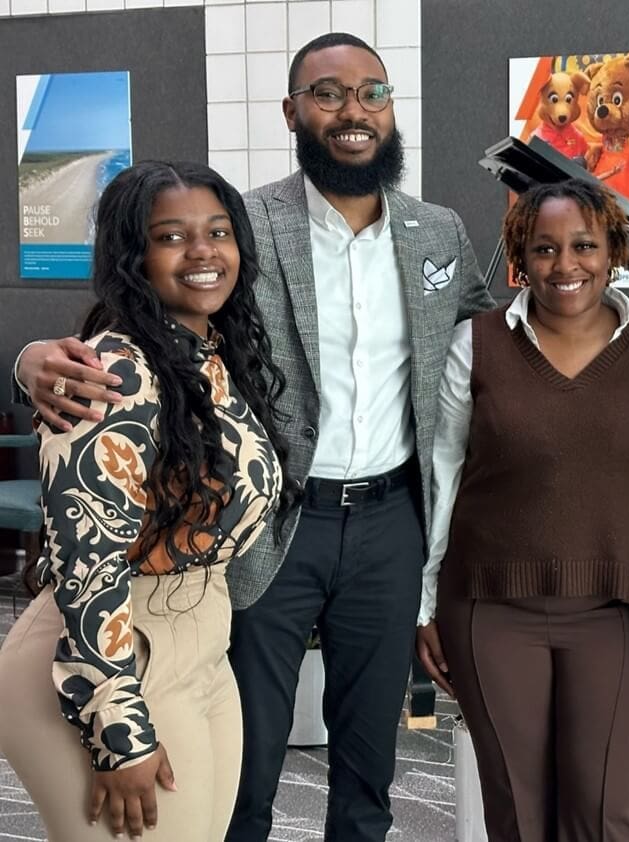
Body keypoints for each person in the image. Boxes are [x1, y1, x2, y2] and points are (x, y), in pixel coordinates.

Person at [13, 33, 493, 842]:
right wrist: (34, 360)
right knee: (245, 758)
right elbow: (148, 312)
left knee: (371, 758)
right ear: (292, 112)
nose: (352, 110)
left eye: (371, 92)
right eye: (328, 93)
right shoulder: (242, 225)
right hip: (270, 523)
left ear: (390, 105)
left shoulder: (435, 232)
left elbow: (492, 342)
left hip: (389, 522)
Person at [0, 160, 294, 841]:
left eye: (218, 232)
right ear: (133, 256)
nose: (202, 251)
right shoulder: (115, 372)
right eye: (171, 236)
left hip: (199, 643)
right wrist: (119, 733)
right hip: (111, 657)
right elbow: (89, 563)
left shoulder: (211, 353)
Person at [414, 178, 629, 841]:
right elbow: (441, 477)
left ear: (613, 251)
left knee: (609, 814)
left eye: (583, 246)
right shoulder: (472, 346)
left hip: (616, 612)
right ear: (519, 256)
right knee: (518, 814)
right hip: (488, 609)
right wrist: (424, 608)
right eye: (543, 248)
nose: (564, 266)